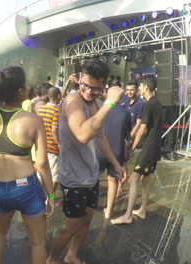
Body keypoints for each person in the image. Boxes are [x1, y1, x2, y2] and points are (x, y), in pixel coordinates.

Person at [47, 59, 124, 264]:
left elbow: (101, 138)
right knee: (70, 227)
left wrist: (116, 164)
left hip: (91, 175)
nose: (89, 92)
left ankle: (71, 255)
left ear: (103, 85)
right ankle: (52, 259)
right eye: (85, 85)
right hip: (73, 177)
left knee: (87, 220)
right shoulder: (73, 101)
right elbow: (82, 134)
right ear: (79, 78)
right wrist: (109, 103)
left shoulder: (98, 104)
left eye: (96, 89)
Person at [0, 66, 55, 264]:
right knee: (38, 242)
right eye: (26, 84)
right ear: (21, 91)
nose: (28, 86)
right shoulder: (33, 121)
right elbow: (42, 163)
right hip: (26, 187)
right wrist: (51, 195)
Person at [112, 75, 163, 225]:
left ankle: (127, 215)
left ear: (146, 87)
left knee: (134, 179)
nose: (139, 88)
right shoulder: (157, 103)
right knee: (145, 179)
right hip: (155, 147)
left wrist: (131, 148)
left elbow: (141, 130)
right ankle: (142, 210)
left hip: (149, 147)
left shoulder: (149, 105)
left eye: (140, 86)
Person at [98, 88, 131, 220]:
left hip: (99, 150)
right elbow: (128, 135)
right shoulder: (125, 112)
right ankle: (109, 211)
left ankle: (88, 204)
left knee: (93, 178)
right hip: (117, 151)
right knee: (113, 181)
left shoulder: (100, 109)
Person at [37, 87, 62, 191]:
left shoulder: (40, 109)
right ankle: (49, 199)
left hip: (41, 146)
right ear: (59, 96)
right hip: (52, 148)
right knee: (54, 177)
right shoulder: (56, 111)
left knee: (41, 174)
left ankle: (39, 197)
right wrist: (59, 145)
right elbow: (54, 131)